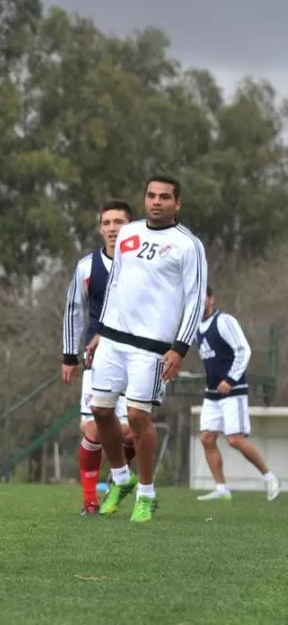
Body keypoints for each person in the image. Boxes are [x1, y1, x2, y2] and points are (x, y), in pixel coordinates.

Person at [88, 175, 207, 522]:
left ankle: (146, 493)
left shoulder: (189, 245)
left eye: (165, 197)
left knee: (138, 417)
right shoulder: (128, 233)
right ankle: (121, 479)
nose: (157, 202)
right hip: (112, 337)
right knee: (101, 411)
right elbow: (115, 283)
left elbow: (195, 298)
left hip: (151, 347)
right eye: (151, 196)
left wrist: (179, 348)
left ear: (177, 204)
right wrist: (98, 331)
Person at [61, 200, 136, 516]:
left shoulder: (143, 265)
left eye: (119, 222)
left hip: (136, 357)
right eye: (107, 222)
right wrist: (69, 355)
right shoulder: (86, 267)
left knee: (131, 431)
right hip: (97, 359)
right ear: (100, 227)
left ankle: (118, 477)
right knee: (92, 430)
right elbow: (74, 310)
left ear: (130, 227)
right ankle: (90, 501)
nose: (112, 228)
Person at [195, 286, 280, 501]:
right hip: (211, 392)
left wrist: (230, 379)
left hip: (233, 391)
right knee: (206, 437)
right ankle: (222, 488)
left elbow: (243, 349)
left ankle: (269, 477)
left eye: (202, 296)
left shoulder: (224, 321)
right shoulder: (195, 326)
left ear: (211, 299)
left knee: (234, 439)